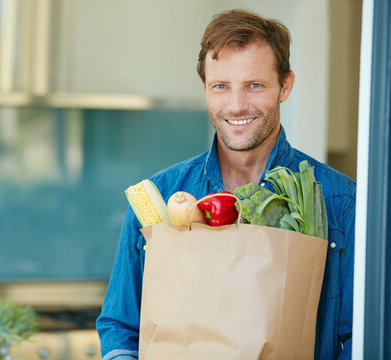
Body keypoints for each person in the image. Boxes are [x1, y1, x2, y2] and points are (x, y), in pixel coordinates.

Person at [96, 8, 355, 360]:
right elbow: (120, 327)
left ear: (286, 85)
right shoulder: (161, 195)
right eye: (221, 86)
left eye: (254, 85)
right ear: (205, 88)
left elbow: (362, 336)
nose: (236, 105)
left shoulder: (342, 201)